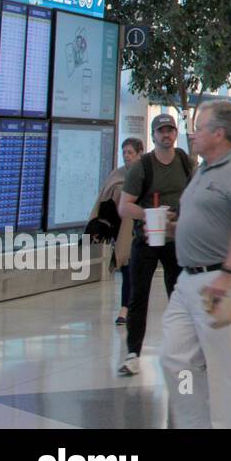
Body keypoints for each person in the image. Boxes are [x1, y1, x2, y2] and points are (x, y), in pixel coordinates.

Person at [160, 100, 231, 429]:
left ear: (218, 133)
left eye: (199, 127)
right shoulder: (202, 168)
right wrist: (176, 229)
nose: (193, 134)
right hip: (189, 278)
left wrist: (226, 275)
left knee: (221, 363)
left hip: (223, 277)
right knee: (175, 358)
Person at [117, 114, 195, 377]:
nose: (166, 134)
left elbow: (195, 193)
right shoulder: (143, 167)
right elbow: (124, 205)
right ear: (153, 135)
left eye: (170, 130)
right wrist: (150, 214)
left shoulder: (185, 161)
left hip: (176, 240)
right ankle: (132, 354)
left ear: (175, 133)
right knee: (139, 296)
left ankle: (179, 351)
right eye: (161, 130)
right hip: (147, 240)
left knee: (179, 296)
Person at [89, 137, 143, 326]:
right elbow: (103, 199)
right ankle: (124, 309)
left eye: (130, 153)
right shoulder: (117, 175)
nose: (127, 156)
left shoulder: (145, 172)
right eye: (124, 153)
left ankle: (133, 307)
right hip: (121, 230)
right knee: (127, 268)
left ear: (139, 154)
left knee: (138, 271)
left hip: (142, 228)